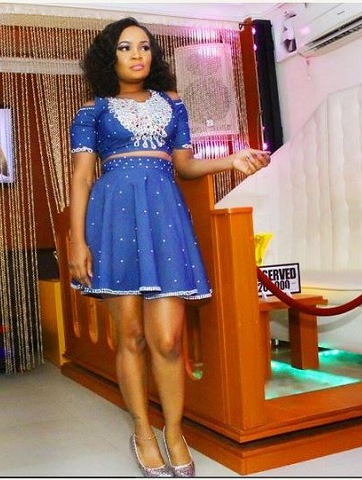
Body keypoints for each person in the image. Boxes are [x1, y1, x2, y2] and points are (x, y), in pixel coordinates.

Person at [68, 17, 270, 478]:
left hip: (163, 217)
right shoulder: (92, 110)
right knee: (131, 336)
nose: (137, 54)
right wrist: (78, 241)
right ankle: (143, 431)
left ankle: (174, 432)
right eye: (125, 47)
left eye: (144, 46)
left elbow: (185, 165)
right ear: (109, 58)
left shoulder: (173, 103)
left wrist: (231, 159)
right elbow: (80, 177)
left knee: (167, 339)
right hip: (114, 218)